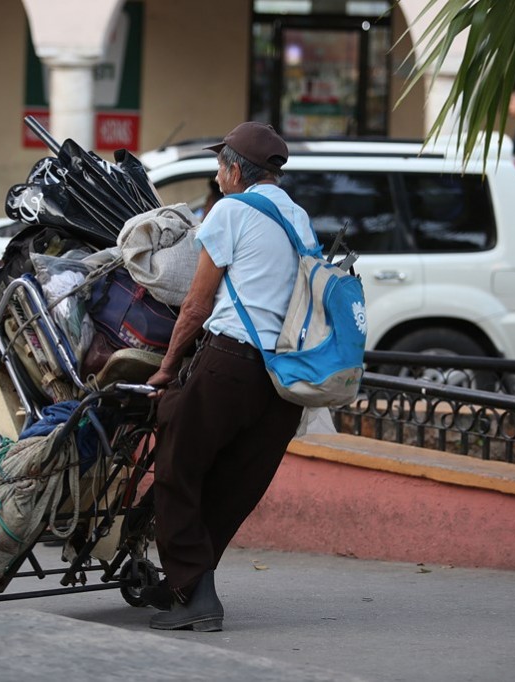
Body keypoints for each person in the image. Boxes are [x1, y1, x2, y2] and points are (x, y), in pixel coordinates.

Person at [141, 121, 313, 632]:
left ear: (237, 169)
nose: (217, 176)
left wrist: (167, 368)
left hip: (231, 364)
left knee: (175, 469)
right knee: (232, 485)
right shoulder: (298, 217)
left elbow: (195, 305)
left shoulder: (229, 212)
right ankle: (185, 586)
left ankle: (196, 597)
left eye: (220, 166)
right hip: (283, 381)